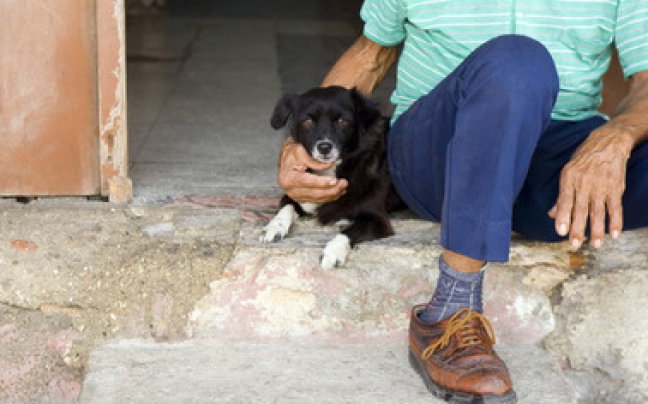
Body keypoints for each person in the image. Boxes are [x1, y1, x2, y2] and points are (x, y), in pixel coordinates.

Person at [276, 1, 648, 401]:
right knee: (518, 61)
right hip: (438, 153)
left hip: (557, 157)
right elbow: (372, 54)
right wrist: (297, 149)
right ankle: (450, 310)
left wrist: (617, 136)